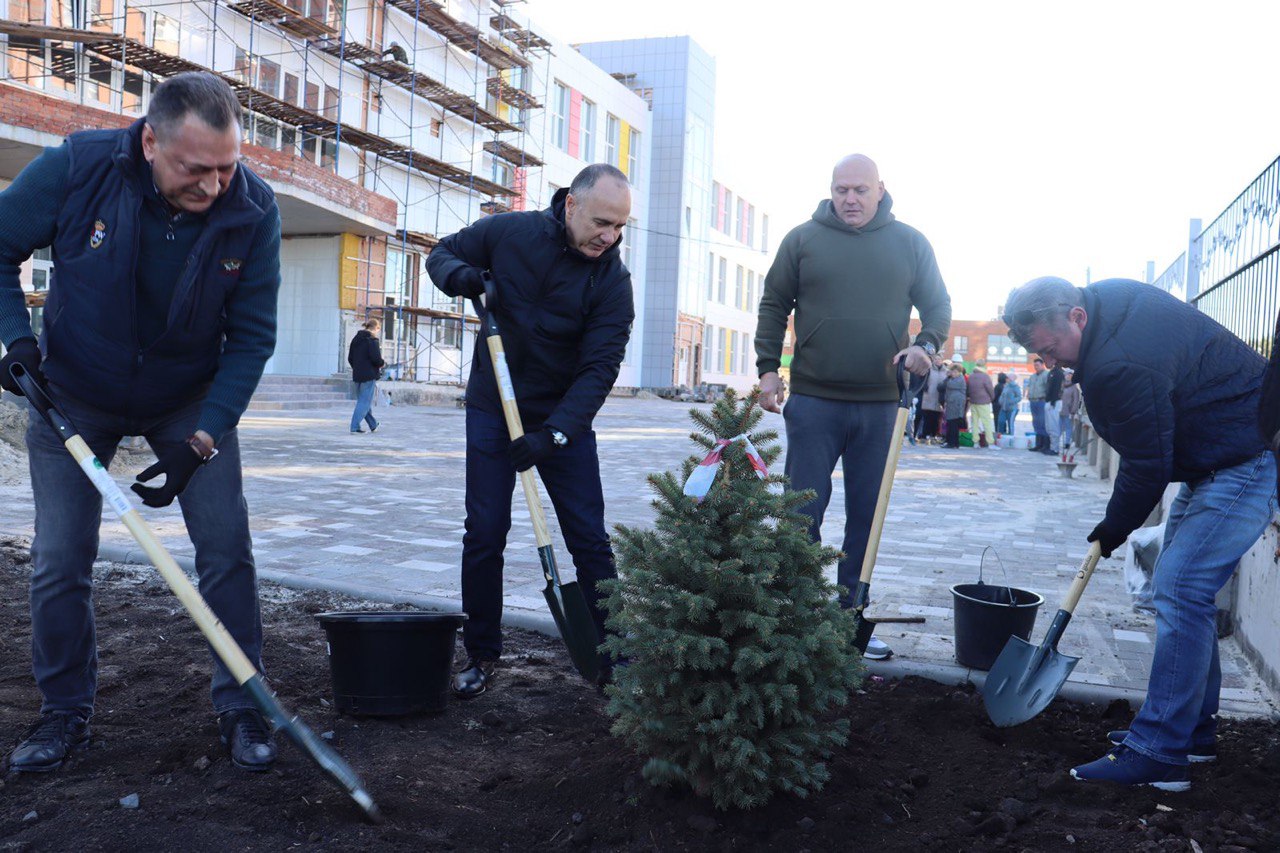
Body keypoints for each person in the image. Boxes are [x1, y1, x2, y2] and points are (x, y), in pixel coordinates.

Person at [0, 72, 282, 772]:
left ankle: (243, 704)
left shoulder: (254, 209)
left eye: (227, 166)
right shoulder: (78, 167)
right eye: (195, 168)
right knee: (61, 557)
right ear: (151, 141)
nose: (214, 185)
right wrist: (15, 345)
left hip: (186, 397)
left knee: (226, 550)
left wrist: (205, 437)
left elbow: (250, 338)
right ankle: (64, 713)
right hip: (71, 394)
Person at [1002, 276, 1275, 791]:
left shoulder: (1118, 362)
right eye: (1040, 355)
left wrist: (1114, 528)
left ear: (1077, 318)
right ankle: (1190, 732)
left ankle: (1159, 752)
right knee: (1180, 591)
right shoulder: (1110, 299)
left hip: (1244, 459)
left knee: (1180, 588)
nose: (1051, 364)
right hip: (1220, 454)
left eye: (1051, 349)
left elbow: (1146, 465)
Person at [425, 163, 634, 696]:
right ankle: (481, 653)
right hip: (495, 405)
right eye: (601, 223)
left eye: (619, 228)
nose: (608, 237)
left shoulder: (613, 281)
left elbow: (599, 369)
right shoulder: (509, 233)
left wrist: (556, 434)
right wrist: (462, 277)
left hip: (563, 416)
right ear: (571, 204)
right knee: (486, 531)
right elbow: (441, 252)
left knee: (588, 538)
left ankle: (615, 654)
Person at [755, 154, 951, 660]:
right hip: (815, 403)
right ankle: (793, 617)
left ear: (880, 189)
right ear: (831, 190)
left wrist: (924, 347)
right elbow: (774, 302)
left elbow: (938, 307)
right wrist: (767, 368)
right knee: (800, 511)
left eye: (861, 190)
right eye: (842, 189)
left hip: (881, 406)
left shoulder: (910, 243)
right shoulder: (803, 240)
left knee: (867, 515)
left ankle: (850, 621)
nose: (850, 199)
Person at [347, 317, 385, 433]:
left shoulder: (356, 339)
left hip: (357, 375)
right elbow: (376, 359)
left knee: (364, 401)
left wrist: (357, 368)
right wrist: (382, 363)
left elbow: (350, 358)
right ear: (376, 328)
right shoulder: (372, 340)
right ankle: (355, 427)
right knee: (364, 402)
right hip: (369, 376)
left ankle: (373, 424)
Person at [917, 354, 947, 443]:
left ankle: (933, 436)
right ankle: (923, 436)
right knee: (927, 417)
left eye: (939, 359)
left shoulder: (946, 371)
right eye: (936, 359)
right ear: (933, 360)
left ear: (942, 360)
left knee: (936, 418)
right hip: (929, 396)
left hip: (939, 398)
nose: (937, 361)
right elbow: (922, 380)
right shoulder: (929, 370)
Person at [968, 360, 996, 448]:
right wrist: (992, 398)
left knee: (974, 422)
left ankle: (975, 442)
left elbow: (968, 389)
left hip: (973, 401)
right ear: (984, 366)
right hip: (983, 402)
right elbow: (990, 389)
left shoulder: (971, 376)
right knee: (986, 422)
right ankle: (990, 442)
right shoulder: (985, 376)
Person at [941, 364, 968, 448]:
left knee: (953, 424)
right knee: (952, 423)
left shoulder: (959, 379)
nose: (953, 373)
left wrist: (948, 377)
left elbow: (947, 384)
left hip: (956, 404)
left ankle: (952, 443)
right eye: (952, 371)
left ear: (959, 372)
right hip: (952, 403)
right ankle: (954, 443)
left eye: (955, 372)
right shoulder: (955, 379)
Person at [1025, 357, 1049, 451]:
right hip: (1033, 401)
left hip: (1041, 401)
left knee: (1042, 422)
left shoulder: (1046, 375)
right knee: (1036, 423)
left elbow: (1048, 388)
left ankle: (1044, 445)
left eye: (1037, 365)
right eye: (1034, 365)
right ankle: (1038, 444)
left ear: (1042, 365)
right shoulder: (1033, 376)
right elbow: (1029, 387)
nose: (1036, 367)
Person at [1043, 362, 1065, 455]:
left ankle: (1055, 449)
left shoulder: (1058, 373)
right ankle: (1052, 447)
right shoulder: (1053, 372)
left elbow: (1057, 389)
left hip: (1054, 402)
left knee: (1053, 427)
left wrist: (1052, 402)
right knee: (1049, 427)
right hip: (1050, 401)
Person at [1059, 369, 1081, 454]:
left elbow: (1076, 400)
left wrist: (1073, 410)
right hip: (1059, 410)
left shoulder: (1074, 387)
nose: (1068, 376)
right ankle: (1057, 441)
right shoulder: (1061, 386)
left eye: (1070, 375)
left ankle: (1067, 442)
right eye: (1067, 375)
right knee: (1059, 427)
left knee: (1068, 427)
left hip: (1068, 411)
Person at [998, 371, 1022, 437]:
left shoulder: (1016, 387)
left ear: (1011, 379)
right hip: (1003, 408)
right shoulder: (1006, 386)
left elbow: (1019, 397)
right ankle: (1000, 436)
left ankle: (1011, 438)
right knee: (1000, 421)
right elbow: (1002, 395)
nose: (1006, 379)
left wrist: (1011, 401)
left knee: (1010, 424)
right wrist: (1000, 400)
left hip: (1012, 409)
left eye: (1007, 378)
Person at [992, 372, 1008, 436]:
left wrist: (992, 401)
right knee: (1003, 419)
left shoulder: (998, 386)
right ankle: (1003, 431)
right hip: (1004, 405)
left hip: (997, 405)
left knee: (997, 419)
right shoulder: (1006, 386)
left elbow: (994, 396)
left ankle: (998, 432)